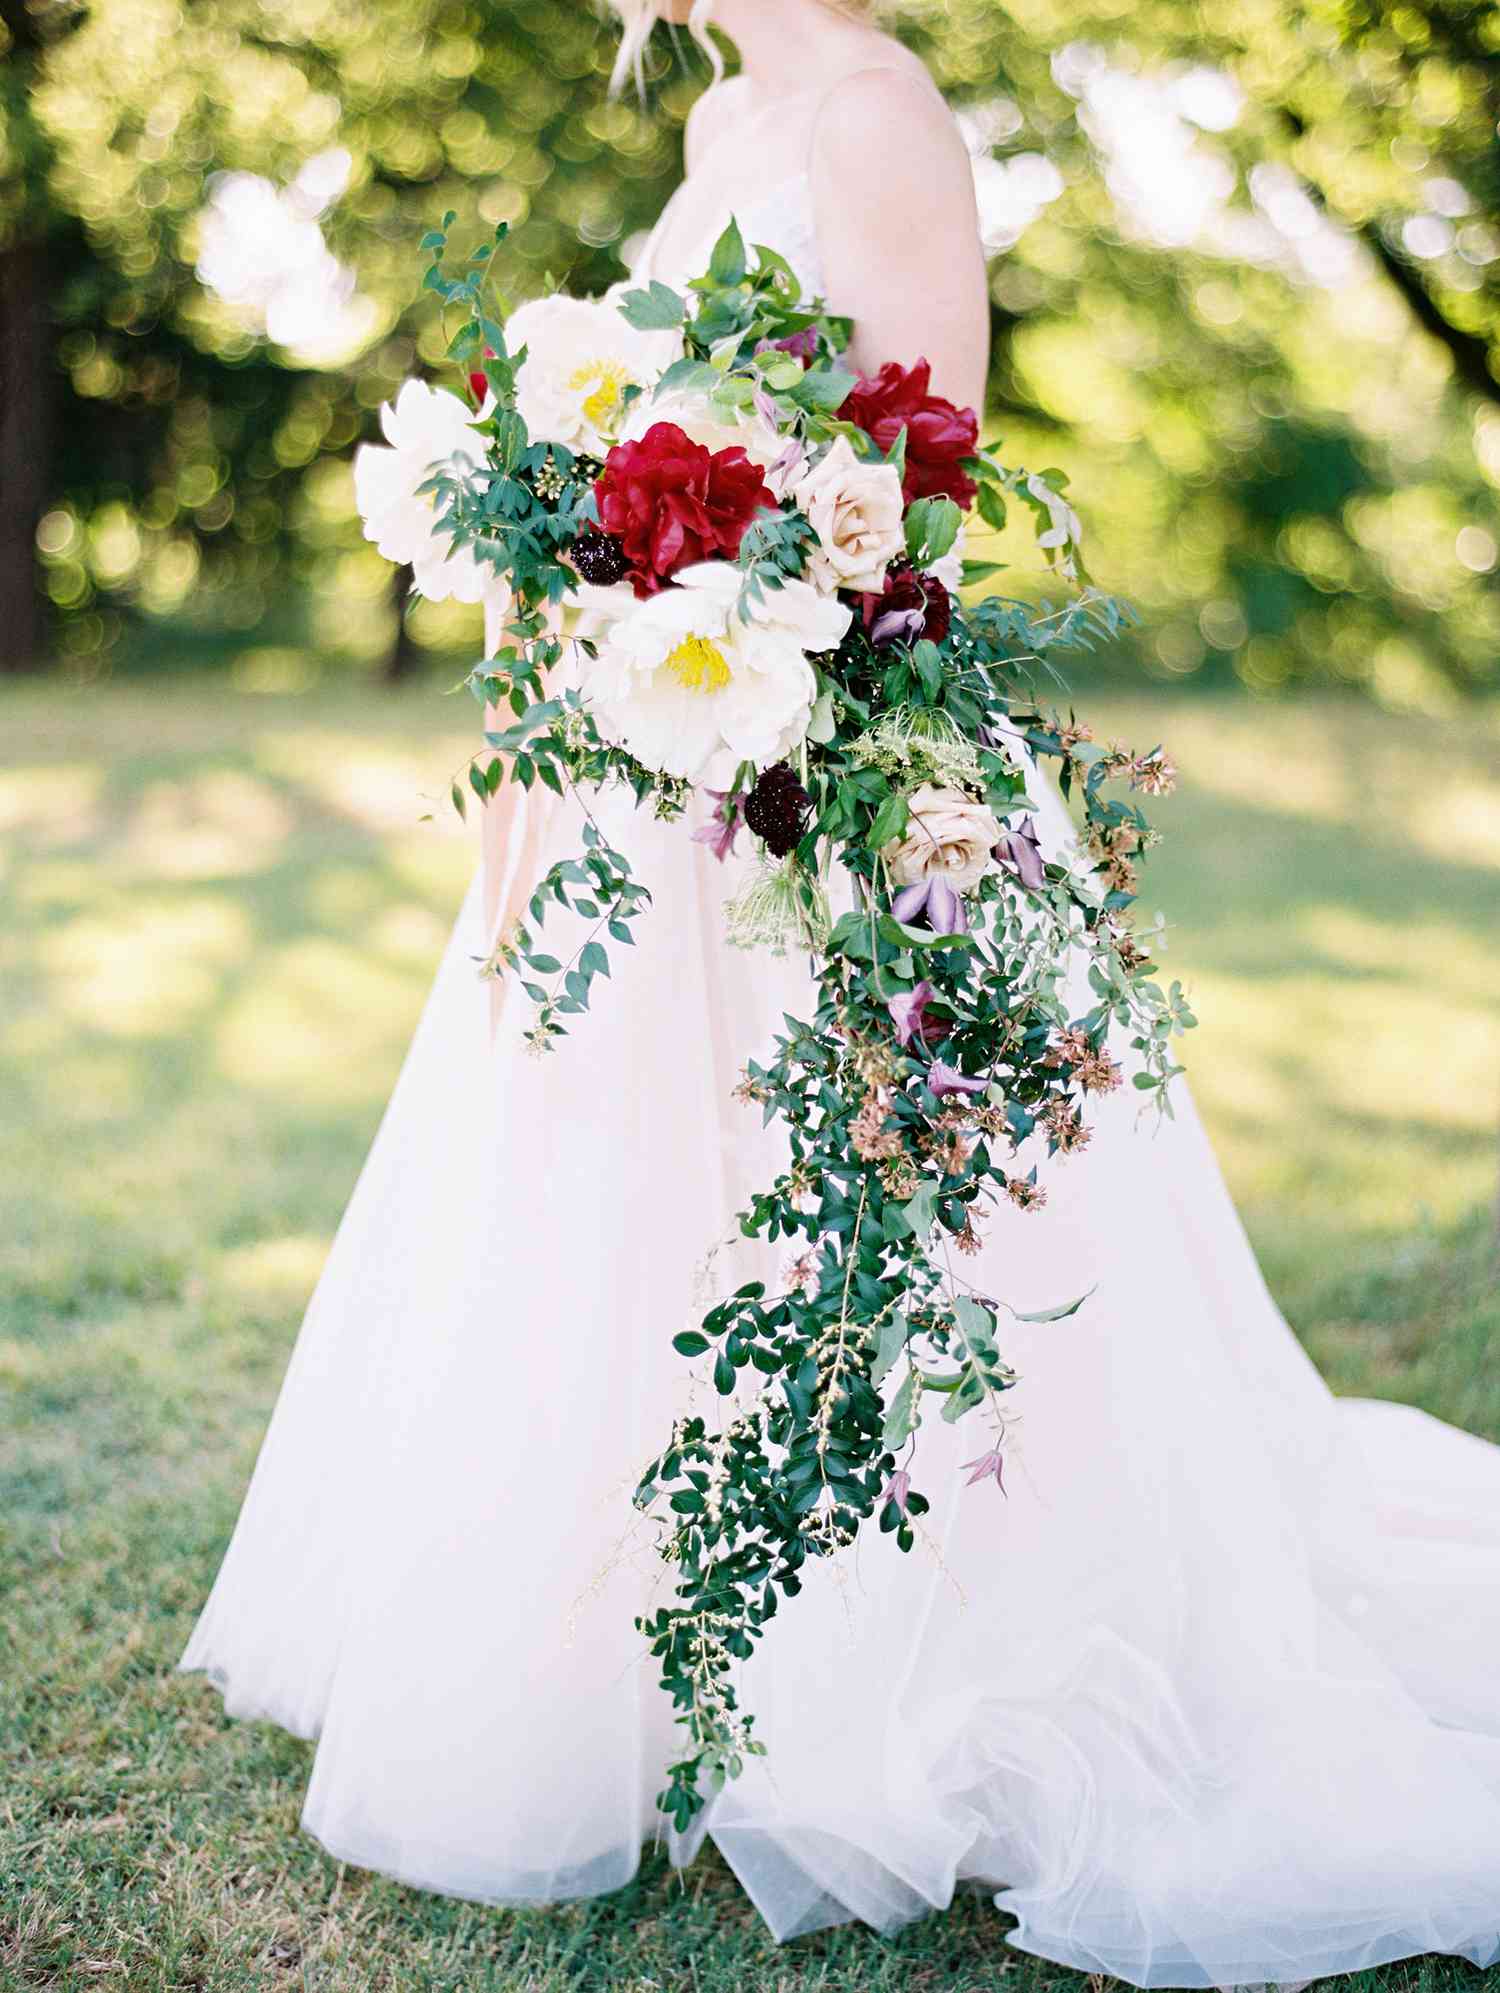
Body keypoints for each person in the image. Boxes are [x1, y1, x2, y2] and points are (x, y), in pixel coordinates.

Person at [182, 3, 1500, 1983]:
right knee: (636, 1212)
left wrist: (711, 599)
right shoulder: (729, 112)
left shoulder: (881, 116)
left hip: (835, 767)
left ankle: (912, 1649)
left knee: (911, 1212)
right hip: (659, 771)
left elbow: (915, 484)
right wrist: (577, 584)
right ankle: (630, 1661)